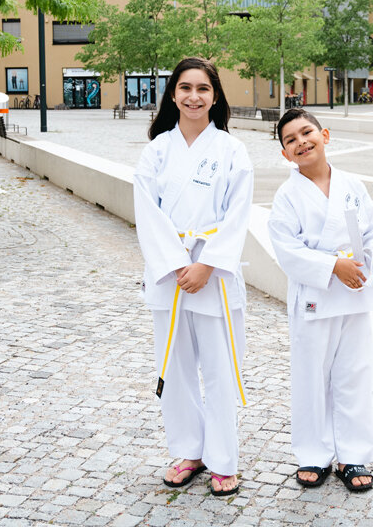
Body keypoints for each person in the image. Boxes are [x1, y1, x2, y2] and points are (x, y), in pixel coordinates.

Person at [133, 57, 254, 496]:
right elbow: (146, 211)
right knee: (176, 368)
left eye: (203, 89)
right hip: (170, 276)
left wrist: (208, 263)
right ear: (172, 95)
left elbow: (239, 213)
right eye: (185, 88)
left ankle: (223, 459)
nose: (193, 96)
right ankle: (189, 450)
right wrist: (175, 263)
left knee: (220, 369)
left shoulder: (231, 150)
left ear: (215, 96)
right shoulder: (157, 150)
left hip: (214, 276)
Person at [268, 108, 373, 493]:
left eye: (307, 133)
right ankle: (313, 454)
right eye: (291, 140)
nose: (301, 142)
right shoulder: (287, 196)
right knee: (311, 376)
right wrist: (332, 265)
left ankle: (353, 454)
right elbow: (286, 251)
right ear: (285, 154)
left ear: (325, 135)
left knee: (354, 374)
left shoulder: (352, 185)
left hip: (353, 294)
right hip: (315, 297)